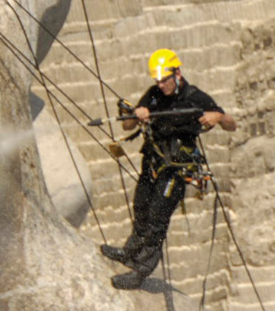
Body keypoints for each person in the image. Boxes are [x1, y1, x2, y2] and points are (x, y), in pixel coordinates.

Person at [100, 48, 236, 289]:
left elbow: (230, 124)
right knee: (141, 206)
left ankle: (140, 271)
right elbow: (127, 125)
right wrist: (135, 114)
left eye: (165, 80)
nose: (161, 85)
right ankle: (130, 252)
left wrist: (217, 116)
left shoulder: (195, 97)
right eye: (158, 81)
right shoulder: (153, 95)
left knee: (157, 218)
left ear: (177, 73)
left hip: (176, 169)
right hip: (153, 162)